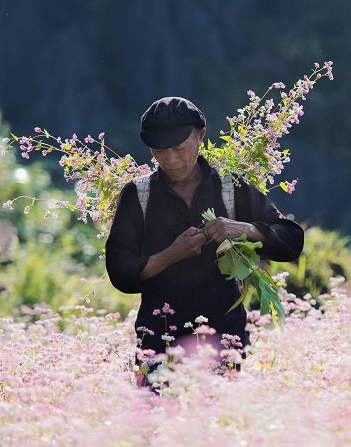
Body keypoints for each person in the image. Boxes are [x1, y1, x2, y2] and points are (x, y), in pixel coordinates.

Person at [105, 96, 304, 393]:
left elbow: (291, 241)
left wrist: (246, 229)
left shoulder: (230, 188)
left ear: (200, 137)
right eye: (160, 151)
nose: (170, 159)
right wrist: (171, 255)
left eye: (178, 148)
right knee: (159, 429)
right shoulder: (138, 195)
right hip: (159, 342)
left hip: (224, 342)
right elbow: (120, 272)